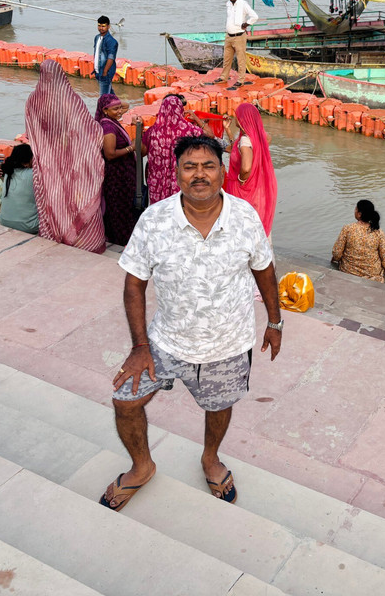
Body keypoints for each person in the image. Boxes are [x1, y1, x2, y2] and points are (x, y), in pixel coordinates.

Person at [101, 135, 282, 511]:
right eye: (190, 167)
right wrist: (140, 346)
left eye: (208, 166)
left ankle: (210, 458)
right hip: (165, 341)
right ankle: (142, 466)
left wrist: (275, 321)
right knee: (125, 402)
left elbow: (264, 269)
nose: (200, 174)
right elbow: (134, 285)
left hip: (228, 344)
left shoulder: (245, 217)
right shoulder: (154, 220)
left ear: (222, 171)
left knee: (219, 405)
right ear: (177, 173)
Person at [24, 59, 106, 253]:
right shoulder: (70, 99)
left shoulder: (33, 101)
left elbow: (31, 132)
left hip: (47, 163)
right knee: (81, 197)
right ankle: (86, 242)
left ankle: (57, 235)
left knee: (53, 200)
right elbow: (90, 129)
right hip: (74, 160)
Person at [143, 93, 216, 205]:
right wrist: (196, 119)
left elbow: (142, 152)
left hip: (158, 181)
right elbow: (210, 135)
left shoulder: (152, 131)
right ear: (180, 109)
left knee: (159, 209)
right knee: (180, 208)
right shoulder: (188, 129)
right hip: (182, 179)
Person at [223, 102, 277, 237]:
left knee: (242, 226)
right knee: (258, 223)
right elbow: (235, 149)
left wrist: (241, 179)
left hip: (245, 190)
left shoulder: (245, 141)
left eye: (237, 115)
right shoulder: (262, 136)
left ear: (242, 118)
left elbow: (246, 167)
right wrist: (228, 131)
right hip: (260, 187)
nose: (235, 118)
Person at [96, 93, 142, 245]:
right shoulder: (108, 127)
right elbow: (110, 154)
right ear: (105, 110)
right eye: (115, 109)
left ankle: (124, 237)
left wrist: (113, 102)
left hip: (123, 175)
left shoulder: (112, 121)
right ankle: (120, 239)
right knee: (119, 208)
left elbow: (125, 105)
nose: (120, 111)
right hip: (117, 177)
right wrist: (131, 148)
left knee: (125, 207)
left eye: (120, 108)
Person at [331, 199, 385, 282]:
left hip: (349, 271)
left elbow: (337, 253)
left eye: (356, 209)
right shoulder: (378, 232)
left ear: (359, 214)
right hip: (372, 274)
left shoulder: (348, 228)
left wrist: (335, 258)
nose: (354, 211)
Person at [219, 0, 258, 87]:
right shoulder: (228, 4)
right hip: (228, 36)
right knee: (226, 59)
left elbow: (255, 16)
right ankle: (223, 77)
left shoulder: (243, 4)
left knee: (241, 60)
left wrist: (247, 23)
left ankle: (241, 80)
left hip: (239, 36)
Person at [0, 144, 39, 235]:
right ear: (27, 161)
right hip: (29, 226)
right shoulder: (33, 174)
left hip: (4, 220)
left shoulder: (8, 173)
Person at [91, 16, 119, 96]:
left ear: (108, 26)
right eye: (99, 26)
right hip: (98, 71)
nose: (101, 28)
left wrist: (105, 72)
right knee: (110, 95)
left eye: (103, 26)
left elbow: (111, 58)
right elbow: (97, 54)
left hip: (105, 73)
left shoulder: (112, 41)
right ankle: (117, 103)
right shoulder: (97, 38)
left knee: (103, 98)